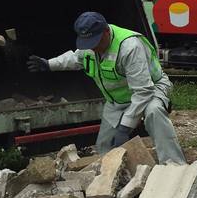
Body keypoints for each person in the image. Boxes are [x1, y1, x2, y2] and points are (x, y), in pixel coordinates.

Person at [27, 11, 185, 164]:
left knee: (154, 111)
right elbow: (76, 58)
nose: (93, 48)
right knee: (104, 146)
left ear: (106, 31)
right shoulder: (90, 45)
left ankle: (174, 166)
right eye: (89, 44)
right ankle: (117, 178)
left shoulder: (129, 46)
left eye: (96, 43)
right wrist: (48, 64)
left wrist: (125, 126)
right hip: (118, 100)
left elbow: (143, 91)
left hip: (151, 89)